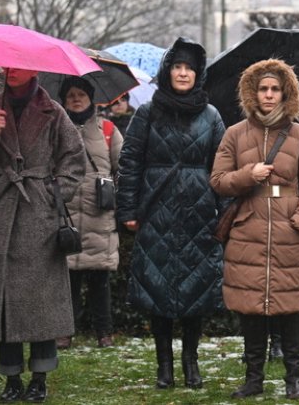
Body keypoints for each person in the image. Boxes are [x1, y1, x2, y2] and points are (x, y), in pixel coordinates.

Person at [0, 67, 85, 403]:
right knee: (3, 301)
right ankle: (11, 379)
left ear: (33, 68)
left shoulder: (53, 112)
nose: (12, 70)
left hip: (38, 216)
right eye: (7, 65)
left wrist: (53, 193)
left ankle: (39, 378)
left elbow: (74, 159)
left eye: (18, 65)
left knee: (39, 302)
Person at [211, 58, 299, 400]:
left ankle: (294, 379)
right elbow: (218, 180)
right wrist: (249, 175)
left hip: (292, 233)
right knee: (251, 310)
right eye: (263, 88)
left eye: (276, 89)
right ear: (252, 92)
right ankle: (253, 380)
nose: (269, 95)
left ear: (286, 93)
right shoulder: (235, 134)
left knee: (292, 309)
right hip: (249, 231)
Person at [116, 37, 225, 390]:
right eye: (177, 66)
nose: (182, 73)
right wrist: (128, 209)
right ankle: (164, 364)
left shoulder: (211, 116)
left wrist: (223, 214)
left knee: (199, 289)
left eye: (189, 68)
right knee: (157, 291)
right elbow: (129, 163)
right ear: (167, 71)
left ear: (198, 74)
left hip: (200, 213)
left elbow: (222, 167)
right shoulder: (147, 113)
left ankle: (191, 360)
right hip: (156, 212)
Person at [55, 77, 123, 350]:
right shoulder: (56, 129)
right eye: (70, 94)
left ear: (91, 97)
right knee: (67, 280)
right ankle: (64, 331)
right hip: (66, 213)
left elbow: (124, 167)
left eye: (81, 93)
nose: (75, 98)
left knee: (100, 280)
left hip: (100, 215)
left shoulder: (108, 129)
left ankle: (104, 332)